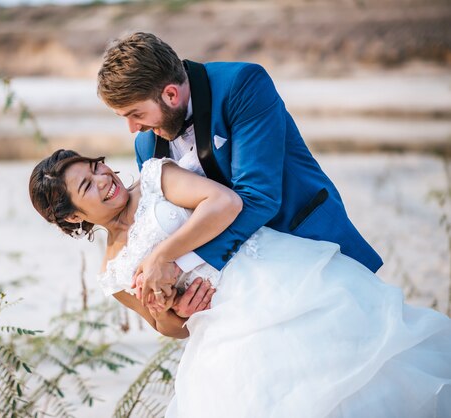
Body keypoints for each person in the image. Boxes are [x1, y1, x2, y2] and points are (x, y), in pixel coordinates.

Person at [29, 149, 451, 418]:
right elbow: (165, 327)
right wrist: (175, 309)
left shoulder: (156, 178)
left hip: (273, 278)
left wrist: (162, 257)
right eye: (87, 184)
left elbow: (225, 203)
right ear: (73, 217)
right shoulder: (113, 273)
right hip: (222, 328)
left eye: (96, 166)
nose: (104, 178)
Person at [96, 32, 383, 308]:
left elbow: (259, 197)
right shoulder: (146, 146)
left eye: (136, 114)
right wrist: (181, 297)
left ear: (171, 94)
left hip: (306, 244)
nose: (134, 128)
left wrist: (174, 261)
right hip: (238, 290)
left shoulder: (242, 85)